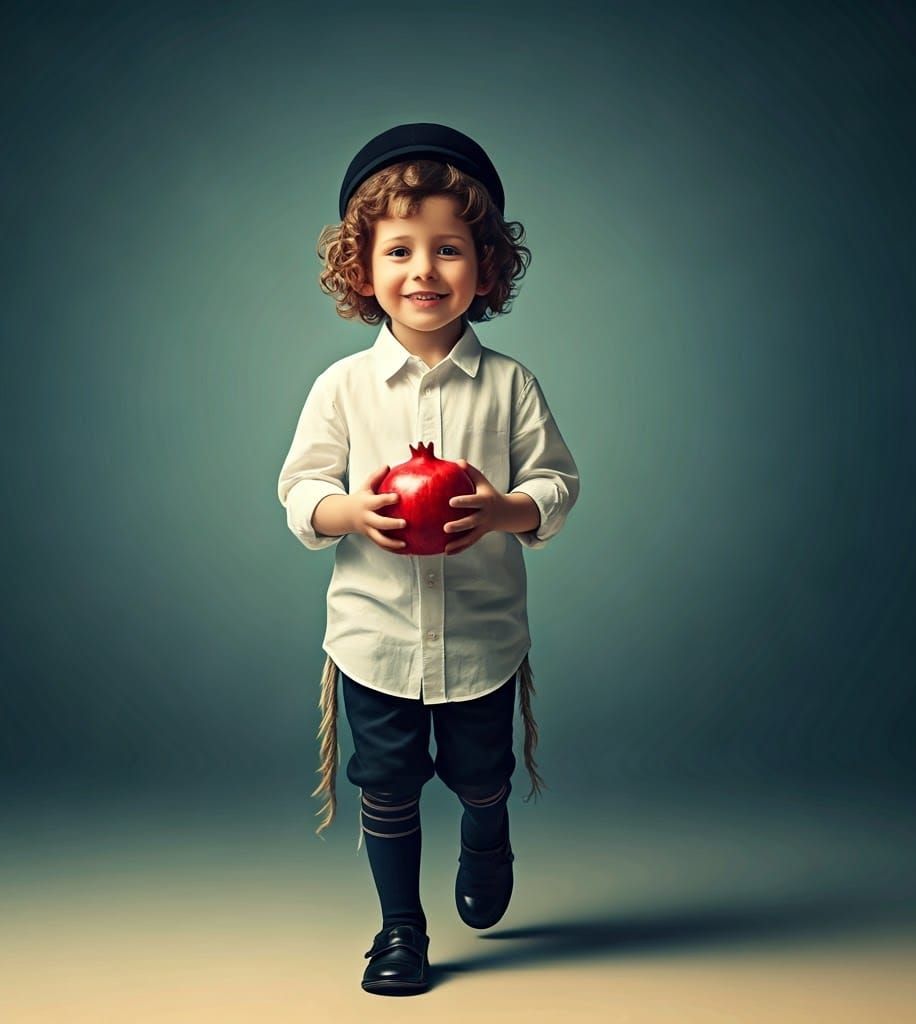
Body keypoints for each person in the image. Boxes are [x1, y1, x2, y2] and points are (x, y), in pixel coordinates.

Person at [276, 123, 580, 995]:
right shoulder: (341, 388)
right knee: (389, 782)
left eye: (449, 249)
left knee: (481, 772)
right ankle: (399, 930)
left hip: (482, 637)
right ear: (361, 270)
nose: (423, 270)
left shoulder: (511, 385)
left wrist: (503, 509)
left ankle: (488, 836)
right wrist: (349, 511)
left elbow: (557, 484)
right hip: (375, 639)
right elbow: (299, 491)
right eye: (399, 249)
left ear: (485, 268)